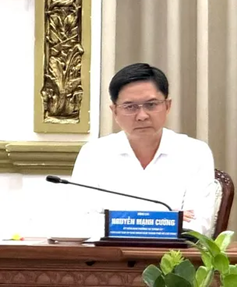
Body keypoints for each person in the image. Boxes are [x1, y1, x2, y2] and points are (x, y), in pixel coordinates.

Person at [70, 63, 217, 236]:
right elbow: (82, 222)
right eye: (130, 107)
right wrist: (166, 219)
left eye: (151, 105)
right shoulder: (94, 153)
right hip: (110, 252)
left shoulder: (195, 152)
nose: (142, 116)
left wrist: (120, 221)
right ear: (115, 111)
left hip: (173, 252)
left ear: (167, 106)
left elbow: (197, 226)